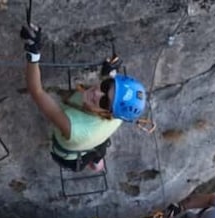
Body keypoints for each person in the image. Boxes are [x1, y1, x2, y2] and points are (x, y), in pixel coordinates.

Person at [20, 23, 148, 172]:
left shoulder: (73, 127)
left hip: (70, 156)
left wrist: (33, 54)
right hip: (96, 141)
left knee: (93, 150)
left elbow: (37, 91)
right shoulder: (119, 111)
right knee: (99, 150)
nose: (97, 93)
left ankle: (96, 164)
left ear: (108, 113)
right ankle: (97, 163)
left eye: (104, 101)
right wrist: (108, 74)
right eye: (106, 86)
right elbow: (113, 91)